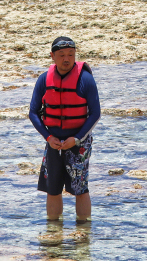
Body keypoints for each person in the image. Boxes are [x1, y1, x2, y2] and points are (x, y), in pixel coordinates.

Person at [28, 35, 101, 223]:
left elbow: (95, 114)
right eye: (61, 55)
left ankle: (83, 232)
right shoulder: (44, 79)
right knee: (52, 188)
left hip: (79, 143)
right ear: (52, 56)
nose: (66, 59)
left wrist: (76, 139)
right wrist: (48, 137)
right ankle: (53, 231)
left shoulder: (85, 80)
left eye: (70, 54)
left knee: (80, 188)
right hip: (53, 143)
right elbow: (33, 112)